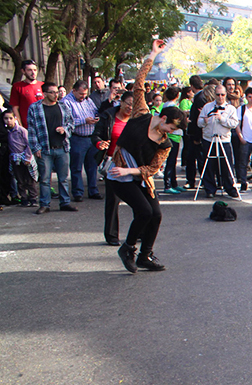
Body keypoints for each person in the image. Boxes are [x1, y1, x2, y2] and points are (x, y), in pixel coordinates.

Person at [107, 39, 182, 274]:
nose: (170, 134)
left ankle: (145, 255)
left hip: (136, 175)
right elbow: (139, 83)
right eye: (171, 128)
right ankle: (127, 248)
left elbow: (151, 170)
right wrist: (152, 54)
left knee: (156, 214)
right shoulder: (141, 114)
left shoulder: (165, 144)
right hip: (117, 174)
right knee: (144, 212)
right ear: (163, 119)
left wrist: (132, 171)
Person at [27, 82, 78, 214]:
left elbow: (71, 123)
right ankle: (45, 204)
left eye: (57, 92)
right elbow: (31, 130)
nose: (56, 95)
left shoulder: (62, 106)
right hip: (45, 148)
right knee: (44, 179)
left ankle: (65, 202)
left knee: (63, 178)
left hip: (62, 147)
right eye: (52, 92)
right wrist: (35, 147)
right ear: (44, 94)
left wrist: (64, 129)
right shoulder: (35, 108)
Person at [92, 91, 134, 246]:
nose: (130, 107)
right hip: (113, 162)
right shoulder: (108, 116)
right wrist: (100, 143)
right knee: (113, 200)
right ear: (121, 102)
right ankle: (112, 235)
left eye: (133, 105)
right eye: (128, 103)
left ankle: (139, 232)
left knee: (140, 200)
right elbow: (96, 135)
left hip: (133, 163)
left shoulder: (138, 118)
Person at [60, 80, 101, 202]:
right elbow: (66, 122)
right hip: (77, 138)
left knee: (92, 166)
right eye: (81, 94)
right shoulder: (66, 102)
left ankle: (93, 190)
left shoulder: (88, 100)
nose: (83, 96)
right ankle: (78, 192)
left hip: (91, 137)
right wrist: (84, 120)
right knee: (77, 167)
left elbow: (95, 111)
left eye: (85, 94)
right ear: (74, 91)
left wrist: (96, 118)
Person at [197, 82, 240, 199]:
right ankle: (210, 189)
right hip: (209, 139)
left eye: (222, 95)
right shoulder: (207, 107)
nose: (220, 97)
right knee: (209, 165)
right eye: (217, 95)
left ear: (226, 95)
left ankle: (230, 188)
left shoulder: (230, 108)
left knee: (226, 166)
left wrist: (222, 119)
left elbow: (234, 123)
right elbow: (199, 122)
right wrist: (205, 121)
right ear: (214, 95)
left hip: (224, 140)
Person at [5, 110, 38, 207]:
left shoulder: (21, 130)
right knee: (20, 180)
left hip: (25, 157)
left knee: (30, 179)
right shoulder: (6, 132)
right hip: (15, 158)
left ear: (15, 118)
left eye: (11, 118)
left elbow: (28, 144)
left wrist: (27, 157)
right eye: (6, 119)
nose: (8, 121)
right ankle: (24, 198)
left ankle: (33, 198)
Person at [185, 76, 208, 190]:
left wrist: (197, 136)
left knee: (196, 158)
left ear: (192, 86)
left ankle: (196, 180)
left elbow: (199, 118)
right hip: (196, 133)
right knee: (195, 158)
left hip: (196, 134)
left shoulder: (200, 98)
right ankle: (199, 180)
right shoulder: (200, 97)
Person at [10, 59, 44, 128]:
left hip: (43, 124)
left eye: (35, 70)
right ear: (23, 71)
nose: (33, 72)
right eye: (29, 70)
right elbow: (15, 108)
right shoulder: (17, 87)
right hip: (28, 126)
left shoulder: (43, 85)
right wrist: (20, 126)